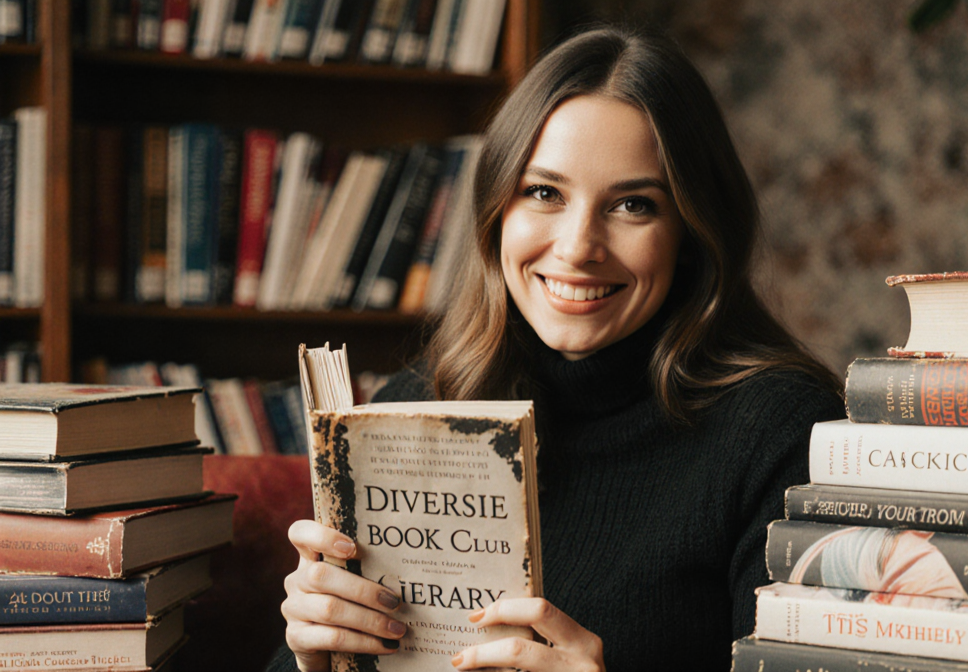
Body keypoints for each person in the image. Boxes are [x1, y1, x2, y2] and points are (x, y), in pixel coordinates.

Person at [271, 25, 845, 672]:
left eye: (633, 205)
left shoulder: (784, 433)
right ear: (497, 209)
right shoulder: (416, 405)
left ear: (691, 230)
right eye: (544, 193)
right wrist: (311, 658)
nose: (577, 248)